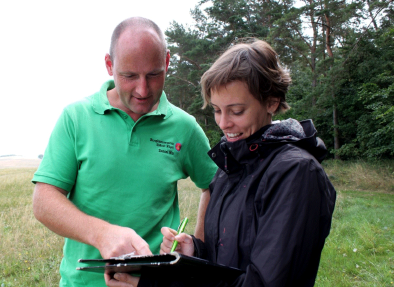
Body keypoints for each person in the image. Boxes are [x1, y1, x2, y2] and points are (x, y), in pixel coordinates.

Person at [108, 39, 337, 287]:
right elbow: (228, 261)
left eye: (236, 111)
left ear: (271, 102)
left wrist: (156, 285)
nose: (223, 123)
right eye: (217, 110)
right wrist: (195, 252)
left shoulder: (296, 173)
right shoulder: (229, 166)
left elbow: (264, 282)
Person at [32, 17, 218, 287]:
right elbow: (44, 201)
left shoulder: (185, 128)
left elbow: (214, 185)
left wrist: (197, 249)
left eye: (154, 74)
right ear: (109, 65)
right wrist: (102, 234)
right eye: (129, 76)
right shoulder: (76, 117)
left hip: (157, 283)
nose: (143, 90)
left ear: (167, 62)